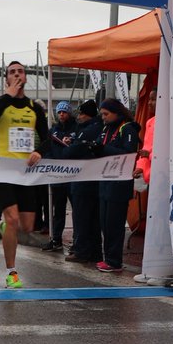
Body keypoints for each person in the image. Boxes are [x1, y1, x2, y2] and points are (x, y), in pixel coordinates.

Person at [0, 61, 49, 289]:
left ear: (26, 77)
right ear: (7, 79)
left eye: (21, 71)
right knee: (12, 219)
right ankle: (12, 273)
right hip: (2, 169)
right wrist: (8, 95)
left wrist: (39, 151)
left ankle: (4, 227)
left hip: (25, 172)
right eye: (12, 72)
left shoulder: (34, 107)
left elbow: (47, 138)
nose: (17, 75)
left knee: (27, 226)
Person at [94, 99, 140, 273]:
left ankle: (114, 261)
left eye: (106, 114)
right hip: (105, 181)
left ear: (117, 113)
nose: (103, 117)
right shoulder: (106, 128)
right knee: (105, 223)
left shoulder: (127, 128)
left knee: (114, 224)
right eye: (102, 114)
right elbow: (100, 146)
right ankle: (108, 258)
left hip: (120, 183)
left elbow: (129, 152)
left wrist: (103, 148)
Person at [64, 100, 103, 265]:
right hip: (96, 180)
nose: (78, 117)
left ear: (88, 115)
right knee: (94, 219)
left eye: (81, 114)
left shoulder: (88, 130)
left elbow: (72, 152)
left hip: (83, 179)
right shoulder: (101, 128)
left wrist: (70, 146)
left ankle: (81, 251)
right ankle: (95, 252)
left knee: (81, 217)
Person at [42, 101, 76, 252]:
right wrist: (51, 162)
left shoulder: (76, 129)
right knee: (58, 210)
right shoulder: (54, 130)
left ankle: (77, 241)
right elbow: (47, 148)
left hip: (72, 175)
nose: (61, 114)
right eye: (59, 112)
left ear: (69, 113)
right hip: (58, 176)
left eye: (64, 112)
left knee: (76, 210)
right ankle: (56, 239)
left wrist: (72, 142)